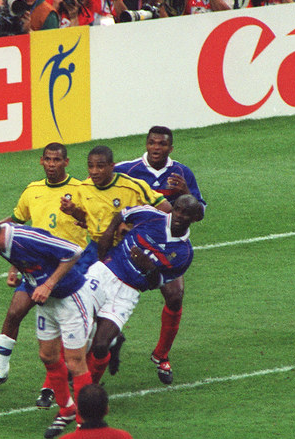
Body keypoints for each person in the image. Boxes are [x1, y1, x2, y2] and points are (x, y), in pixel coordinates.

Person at [0, 218, 96, 439]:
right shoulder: (1, 244)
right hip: (46, 302)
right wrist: (16, 270)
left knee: (75, 361)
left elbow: (74, 251)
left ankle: (86, 423)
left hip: (70, 299)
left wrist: (48, 284)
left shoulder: (25, 238)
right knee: (47, 355)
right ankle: (67, 410)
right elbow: (22, 256)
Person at [0, 144, 87, 404]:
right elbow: (15, 224)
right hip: (34, 265)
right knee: (15, 312)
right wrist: (3, 252)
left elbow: (89, 221)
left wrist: (76, 211)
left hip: (68, 263)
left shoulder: (80, 190)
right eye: (47, 159)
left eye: (57, 160)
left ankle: (51, 387)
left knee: (59, 322)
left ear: (66, 162)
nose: (51, 164)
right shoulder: (32, 190)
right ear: (41, 161)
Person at [59, 145, 170, 381]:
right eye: (90, 166)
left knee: (172, 293)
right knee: (78, 302)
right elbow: (85, 217)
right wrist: (72, 211)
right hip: (95, 248)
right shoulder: (83, 188)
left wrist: (137, 230)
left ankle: (97, 360)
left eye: (100, 166)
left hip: (125, 251)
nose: (95, 171)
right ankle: (106, 345)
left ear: (112, 166)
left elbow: (165, 210)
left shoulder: (132, 185)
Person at [114, 127, 205, 384]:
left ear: (170, 148)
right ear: (146, 144)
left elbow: (200, 213)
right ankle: (102, 346)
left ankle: (161, 354)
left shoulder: (182, 173)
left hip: (168, 248)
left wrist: (187, 190)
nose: (156, 148)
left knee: (175, 296)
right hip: (133, 243)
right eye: (152, 143)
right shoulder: (127, 169)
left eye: (162, 144)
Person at [86, 196, 205, 386]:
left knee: (100, 346)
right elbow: (122, 214)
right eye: (177, 209)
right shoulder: (150, 215)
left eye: (186, 213)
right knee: (75, 323)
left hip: (128, 292)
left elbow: (155, 283)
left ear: (194, 218)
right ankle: (57, 384)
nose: (179, 216)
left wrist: (149, 267)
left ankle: (88, 390)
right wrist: (107, 239)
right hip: (104, 273)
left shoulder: (184, 254)